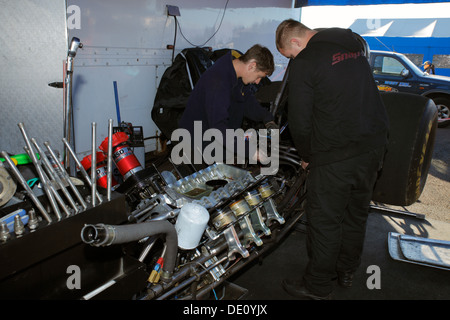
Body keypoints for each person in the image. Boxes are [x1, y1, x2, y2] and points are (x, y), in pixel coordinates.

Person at [275, 19, 389, 299]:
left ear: (294, 43)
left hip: (335, 155)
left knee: (325, 221)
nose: (292, 60)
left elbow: (299, 121)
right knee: (355, 215)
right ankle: (346, 271)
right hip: (373, 148)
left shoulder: (306, 60)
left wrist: (306, 156)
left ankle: (318, 285)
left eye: (289, 56)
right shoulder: (354, 47)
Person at [178, 44, 277, 166]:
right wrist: (251, 152)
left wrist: (267, 119)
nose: (257, 82)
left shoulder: (237, 75)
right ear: (252, 66)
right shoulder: (218, 82)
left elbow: (247, 102)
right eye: (259, 77)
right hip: (196, 144)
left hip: (215, 141)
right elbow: (218, 128)